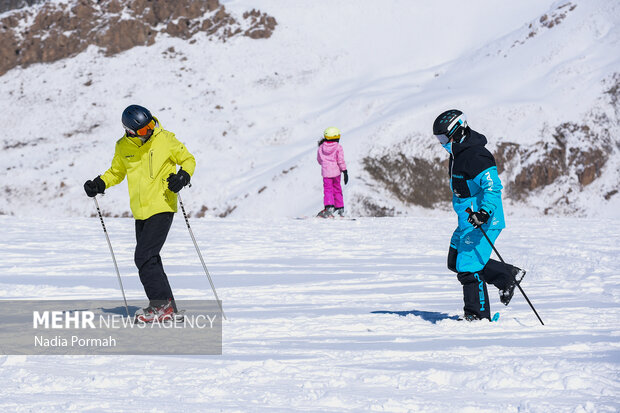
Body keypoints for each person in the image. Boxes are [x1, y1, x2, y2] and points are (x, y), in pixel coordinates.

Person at [83, 104, 195, 323]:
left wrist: (183, 177)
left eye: (151, 125)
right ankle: (168, 307)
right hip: (140, 211)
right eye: (144, 130)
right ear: (130, 131)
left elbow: (188, 159)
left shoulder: (165, 139)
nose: (150, 131)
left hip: (162, 206)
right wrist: (99, 183)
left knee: (143, 257)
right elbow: (116, 172)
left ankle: (161, 307)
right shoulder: (123, 146)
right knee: (150, 258)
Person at [433, 109, 525, 321]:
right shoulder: (457, 152)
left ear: (459, 130)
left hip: (483, 221)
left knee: (468, 267)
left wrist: (484, 213)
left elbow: (493, 188)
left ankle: (477, 316)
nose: (441, 142)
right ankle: (507, 276)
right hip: (467, 220)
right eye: (439, 138)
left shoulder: (476, 155)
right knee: (455, 261)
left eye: (443, 137)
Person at [316, 127, 348, 218]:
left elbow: (319, 160)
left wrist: (326, 165)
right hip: (336, 173)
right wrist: (344, 171)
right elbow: (340, 160)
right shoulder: (338, 147)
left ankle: (329, 207)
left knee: (328, 190)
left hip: (326, 173)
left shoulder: (321, 147)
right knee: (337, 189)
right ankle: (340, 208)